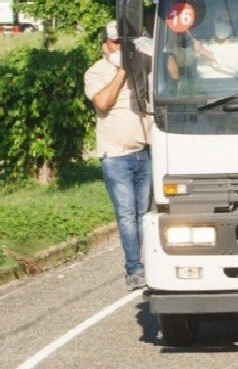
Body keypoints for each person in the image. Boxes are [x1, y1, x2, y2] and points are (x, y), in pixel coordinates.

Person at [84, 22, 152, 290]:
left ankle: (149, 263)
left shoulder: (142, 65)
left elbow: (172, 73)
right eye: (115, 42)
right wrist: (122, 71)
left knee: (144, 214)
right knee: (126, 214)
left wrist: (152, 48)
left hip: (144, 151)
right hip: (116, 156)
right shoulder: (96, 72)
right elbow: (102, 102)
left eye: (125, 43)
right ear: (105, 45)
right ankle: (133, 269)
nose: (121, 47)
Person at [191, 10, 238, 78]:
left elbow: (233, 67)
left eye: (228, 21)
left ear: (233, 25)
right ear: (213, 22)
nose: (223, 23)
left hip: (231, 86)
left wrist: (204, 52)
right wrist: (192, 53)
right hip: (203, 87)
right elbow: (183, 58)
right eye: (220, 19)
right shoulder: (203, 44)